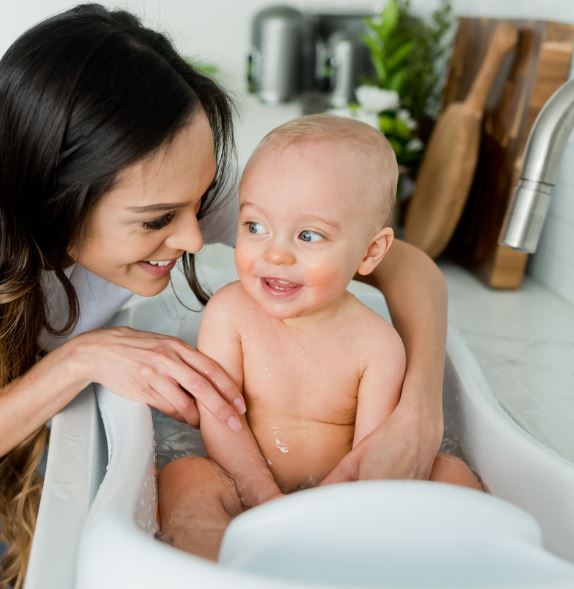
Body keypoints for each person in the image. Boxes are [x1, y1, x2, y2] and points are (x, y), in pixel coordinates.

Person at [0, 5, 449, 589]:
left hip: (17, 430)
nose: (192, 238)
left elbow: (405, 267)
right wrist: (81, 356)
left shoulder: (160, 170)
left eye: (202, 204)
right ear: (55, 200)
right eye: (157, 222)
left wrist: (417, 406)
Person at [158, 115, 483, 561]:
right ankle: (222, 583)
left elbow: (375, 453)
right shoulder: (229, 315)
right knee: (185, 476)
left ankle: (420, 577)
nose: (275, 252)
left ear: (370, 252)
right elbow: (221, 420)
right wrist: (263, 497)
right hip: (242, 482)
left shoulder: (377, 345)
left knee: (453, 476)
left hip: (344, 502)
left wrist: (325, 516)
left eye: (309, 235)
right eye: (255, 227)